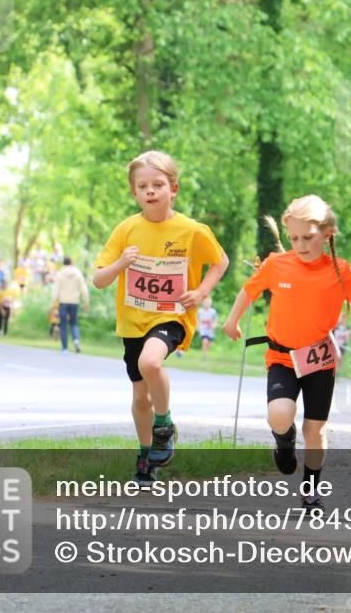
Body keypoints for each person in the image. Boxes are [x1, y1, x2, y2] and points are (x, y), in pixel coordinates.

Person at [224, 195, 351, 514]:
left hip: (319, 360)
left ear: (327, 233)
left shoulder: (340, 271)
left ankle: (311, 491)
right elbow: (249, 289)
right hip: (282, 358)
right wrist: (232, 320)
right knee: (280, 413)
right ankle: (284, 442)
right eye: (294, 238)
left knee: (315, 429)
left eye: (308, 237)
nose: (300, 245)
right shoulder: (277, 264)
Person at [94, 150, 229, 486]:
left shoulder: (190, 230)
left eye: (158, 184)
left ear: (174, 189)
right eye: (143, 186)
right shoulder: (126, 229)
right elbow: (99, 279)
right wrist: (120, 264)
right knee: (141, 396)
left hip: (171, 316)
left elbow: (220, 261)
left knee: (151, 362)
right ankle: (145, 458)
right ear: (134, 192)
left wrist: (200, 294)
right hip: (132, 321)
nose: (150, 191)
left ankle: (164, 425)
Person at [54, 256, 90, 354]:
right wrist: (86, 300)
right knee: (74, 322)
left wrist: (53, 303)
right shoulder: (77, 273)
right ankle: (76, 340)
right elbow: (83, 288)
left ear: (64, 263)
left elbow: (56, 290)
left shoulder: (60, 274)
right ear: (71, 262)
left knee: (63, 325)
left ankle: (65, 348)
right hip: (74, 302)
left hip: (63, 302)